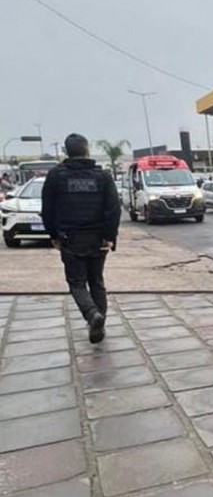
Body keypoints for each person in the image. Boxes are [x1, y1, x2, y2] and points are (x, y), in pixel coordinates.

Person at [41, 133, 121, 344]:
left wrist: (53, 235)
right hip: (98, 239)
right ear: (87, 150)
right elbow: (113, 209)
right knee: (97, 281)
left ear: (67, 152)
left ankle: (91, 315)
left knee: (77, 283)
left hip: (70, 238)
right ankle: (98, 323)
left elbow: (47, 210)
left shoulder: (56, 176)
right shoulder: (102, 176)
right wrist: (109, 236)